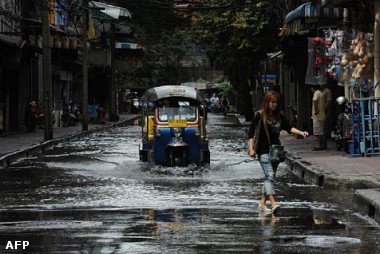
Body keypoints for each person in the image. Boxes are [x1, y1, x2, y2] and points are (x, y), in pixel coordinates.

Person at [247, 91, 309, 213]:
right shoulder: (259, 115)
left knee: (270, 177)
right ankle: (273, 203)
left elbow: (289, 127)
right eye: (272, 102)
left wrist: (301, 133)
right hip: (263, 151)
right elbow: (251, 134)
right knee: (269, 176)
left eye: (276, 102)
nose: (274, 105)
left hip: (275, 152)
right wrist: (251, 149)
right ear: (267, 102)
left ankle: (262, 202)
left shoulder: (279, 117)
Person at [310, 85, 326, 150]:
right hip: (321, 115)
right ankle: (319, 144)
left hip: (318, 116)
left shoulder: (316, 93)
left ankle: (318, 144)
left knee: (317, 131)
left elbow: (315, 101)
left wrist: (316, 110)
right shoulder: (320, 93)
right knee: (320, 131)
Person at [321, 83, 332, 149]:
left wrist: (324, 109)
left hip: (325, 111)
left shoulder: (327, 91)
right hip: (320, 112)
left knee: (324, 127)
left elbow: (328, 102)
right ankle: (322, 143)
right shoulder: (320, 91)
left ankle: (324, 143)